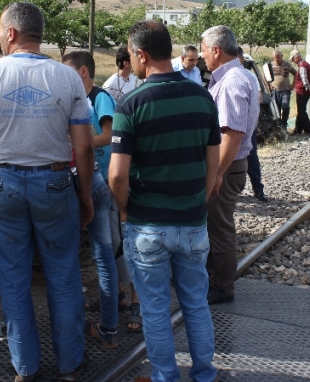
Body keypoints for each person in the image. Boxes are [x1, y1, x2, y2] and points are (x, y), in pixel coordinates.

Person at [0, 2, 94, 382]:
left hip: (1, 185)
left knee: (13, 278)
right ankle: (69, 365)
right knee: (64, 276)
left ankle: (25, 367)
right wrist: (84, 196)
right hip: (54, 183)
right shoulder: (67, 78)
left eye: (1, 30)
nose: (0, 36)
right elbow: (83, 147)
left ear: (12, 33)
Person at [108, 20, 220, 382]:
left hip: (148, 224)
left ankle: (165, 377)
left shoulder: (131, 103)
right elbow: (212, 164)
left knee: (155, 309)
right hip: (192, 222)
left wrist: (125, 208)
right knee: (196, 304)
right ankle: (204, 375)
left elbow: (117, 175)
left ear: (141, 55)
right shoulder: (202, 97)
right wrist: (197, 203)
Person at [61, 51, 119, 349]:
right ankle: (108, 325)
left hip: (100, 178)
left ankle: (105, 321)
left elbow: (109, 135)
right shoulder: (78, 98)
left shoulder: (100, 98)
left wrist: (77, 142)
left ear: (82, 72)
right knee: (102, 252)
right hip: (96, 177)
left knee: (103, 252)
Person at [200, 26, 259, 305]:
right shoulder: (241, 75)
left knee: (218, 227)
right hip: (230, 164)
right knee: (217, 224)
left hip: (228, 165)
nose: (201, 55)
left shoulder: (232, 81)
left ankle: (221, 286)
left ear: (216, 50)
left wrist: (217, 173)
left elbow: (232, 135)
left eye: (203, 49)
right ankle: (216, 279)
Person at [238, 48, 266, 202]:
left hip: (247, 127)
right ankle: (234, 189)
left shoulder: (250, 77)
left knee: (251, 158)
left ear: (241, 59)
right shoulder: (218, 76)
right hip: (225, 128)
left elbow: (259, 98)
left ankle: (258, 190)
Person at [289, 50, 310, 136]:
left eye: (293, 59)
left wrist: (309, 89)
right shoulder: (307, 65)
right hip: (305, 91)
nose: (293, 61)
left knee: (302, 112)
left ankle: (308, 130)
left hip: (302, 91)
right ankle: (298, 130)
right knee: (300, 111)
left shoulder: (302, 66)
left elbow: (305, 80)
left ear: (296, 57)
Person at [270, 49, 296, 128]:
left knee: (285, 107)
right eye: (275, 57)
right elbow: (264, 76)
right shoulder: (271, 65)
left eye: (278, 57)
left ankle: (284, 124)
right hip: (275, 91)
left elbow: (296, 73)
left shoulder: (287, 65)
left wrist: (293, 85)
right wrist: (268, 85)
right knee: (276, 109)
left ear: (282, 56)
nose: (276, 59)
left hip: (285, 91)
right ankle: (277, 125)